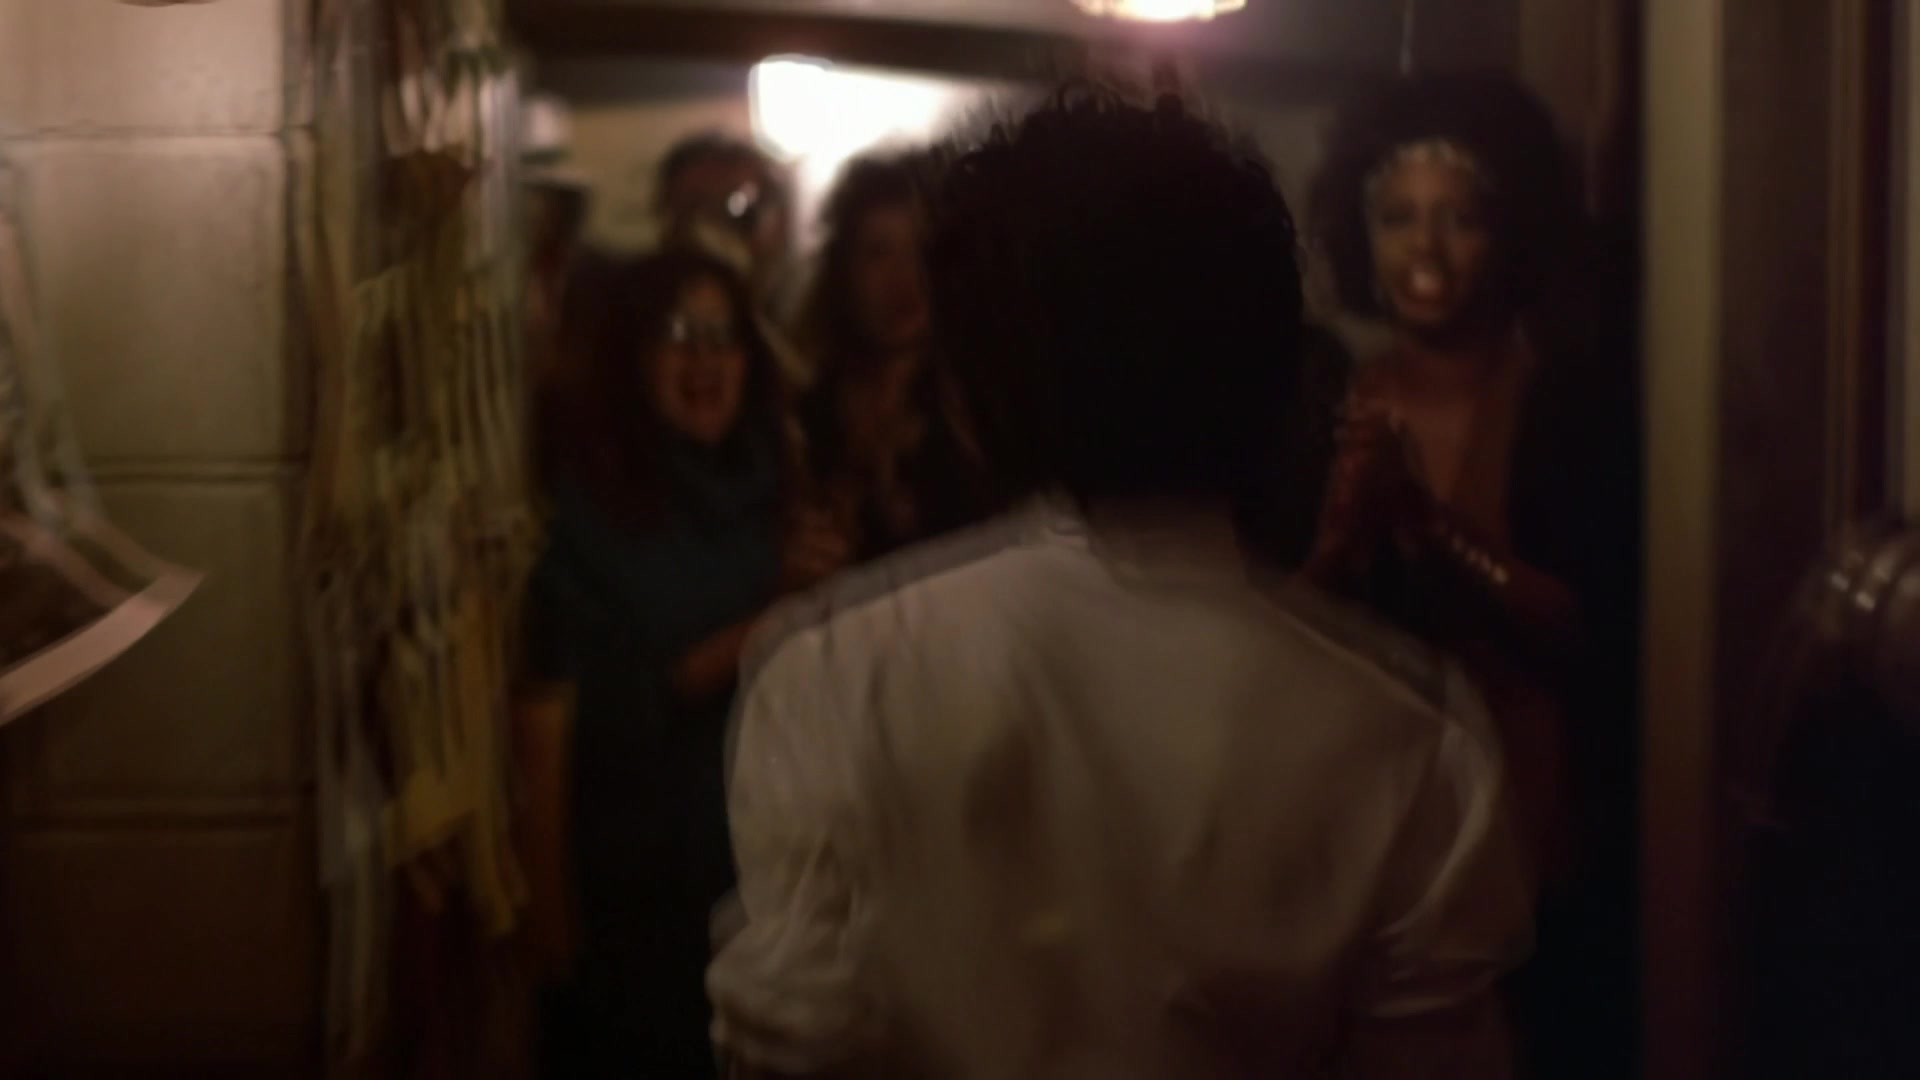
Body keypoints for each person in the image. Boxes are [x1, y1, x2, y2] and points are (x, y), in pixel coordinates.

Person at [707, 85, 1532, 1078]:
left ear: (974, 385)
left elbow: (790, 1052)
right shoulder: (1406, 739)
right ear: (1266, 372)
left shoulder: (834, 679)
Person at [1305, 73, 1641, 1078]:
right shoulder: (1326, 408)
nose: (1427, 249)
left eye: (1460, 220)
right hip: (1356, 850)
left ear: (1512, 235)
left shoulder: (1567, 406)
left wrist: (1431, 526)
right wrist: (1342, 536)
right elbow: (1271, 632)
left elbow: (1588, 632)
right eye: (1398, 219)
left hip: (1530, 852)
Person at [513, 250, 847, 1078]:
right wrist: (765, 625)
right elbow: (592, 712)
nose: (705, 360)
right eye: (677, 334)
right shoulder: (591, 511)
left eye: (724, 337)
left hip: (771, 878)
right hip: (642, 892)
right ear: (633, 357)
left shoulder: (775, 481)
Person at [794, 150, 989, 562]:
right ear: (844, 270)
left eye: (919, 249)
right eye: (878, 253)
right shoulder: (812, 411)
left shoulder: (978, 394)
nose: (903, 277)